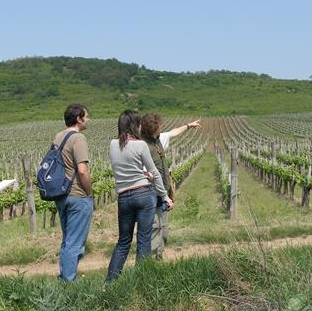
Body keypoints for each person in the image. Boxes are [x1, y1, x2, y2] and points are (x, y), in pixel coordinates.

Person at [106, 110, 174, 282]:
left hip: (123, 197)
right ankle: (141, 281)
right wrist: (165, 196)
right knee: (144, 240)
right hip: (144, 195)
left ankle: (110, 282)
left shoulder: (113, 144)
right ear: (136, 125)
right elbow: (154, 173)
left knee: (123, 242)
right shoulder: (141, 145)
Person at [141, 114, 202, 259]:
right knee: (154, 227)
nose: (161, 129)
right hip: (150, 193)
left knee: (162, 227)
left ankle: (159, 256)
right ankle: (149, 261)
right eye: (159, 127)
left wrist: (188, 126)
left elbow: (173, 132)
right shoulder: (142, 146)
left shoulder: (158, 139)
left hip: (162, 193)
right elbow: (142, 172)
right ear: (153, 129)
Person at [54, 103, 93, 282]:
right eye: (87, 116)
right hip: (77, 195)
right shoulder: (79, 139)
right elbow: (82, 170)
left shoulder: (59, 137)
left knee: (67, 239)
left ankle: (64, 276)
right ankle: (69, 282)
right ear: (79, 118)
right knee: (75, 242)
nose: (88, 119)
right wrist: (89, 192)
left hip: (61, 195)